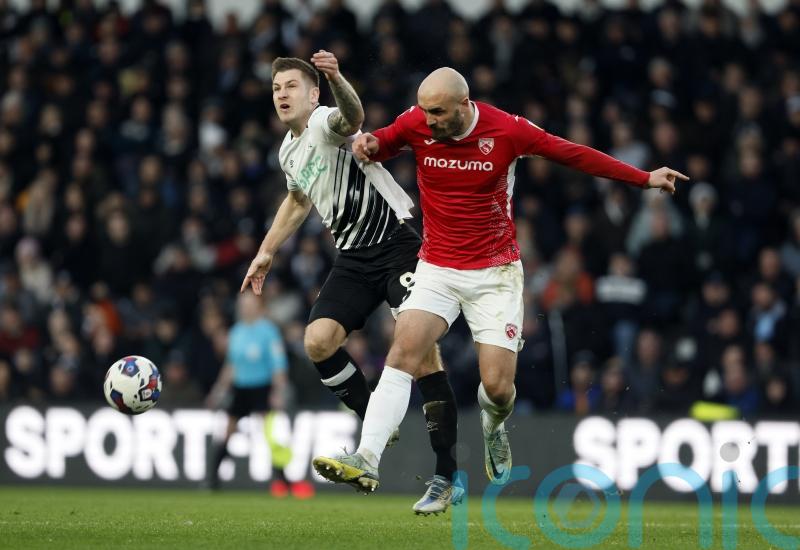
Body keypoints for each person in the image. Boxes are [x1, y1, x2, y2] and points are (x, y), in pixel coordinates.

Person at [314, 67, 687, 493]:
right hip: (436, 265)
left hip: (495, 274)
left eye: (437, 112)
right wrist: (369, 143)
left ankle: (494, 426)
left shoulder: (507, 130)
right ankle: (367, 459)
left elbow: (572, 153)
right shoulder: (418, 120)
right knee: (404, 352)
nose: (429, 120)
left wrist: (642, 178)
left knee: (496, 386)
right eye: (424, 111)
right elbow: (384, 142)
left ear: (463, 105)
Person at [239, 53, 462, 514]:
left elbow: (354, 117)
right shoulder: (288, 150)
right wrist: (267, 250)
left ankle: (447, 475)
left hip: (396, 244)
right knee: (318, 342)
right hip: (353, 258)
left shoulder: (324, 122)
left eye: (291, 86)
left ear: (313, 93)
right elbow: (298, 201)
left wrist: (338, 76)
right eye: (276, 87)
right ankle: (375, 418)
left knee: (420, 355)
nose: (282, 93)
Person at [206, 292, 314, 498]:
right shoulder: (236, 331)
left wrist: (278, 391)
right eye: (243, 304)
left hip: (262, 388)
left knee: (270, 436)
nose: (245, 308)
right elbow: (231, 365)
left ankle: (282, 480)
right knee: (227, 432)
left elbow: (278, 366)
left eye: (249, 304)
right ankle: (212, 479)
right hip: (241, 388)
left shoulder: (268, 331)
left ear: (258, 307)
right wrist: (218, 390)